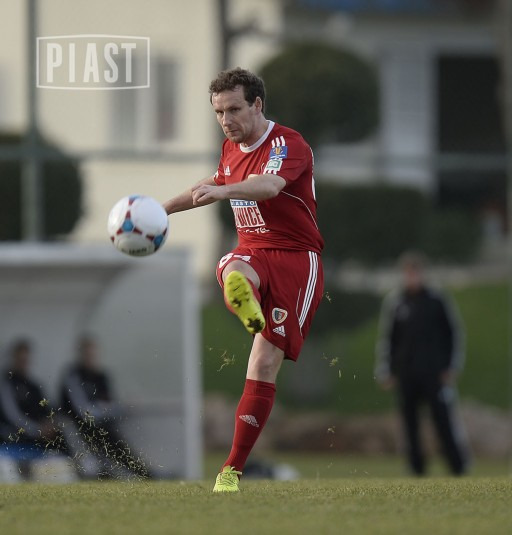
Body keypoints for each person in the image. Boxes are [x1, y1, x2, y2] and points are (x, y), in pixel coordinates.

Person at [163, 67, 324, 493]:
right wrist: (163, 209)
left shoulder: (288, 143)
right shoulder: (230, 148)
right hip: (254, 250)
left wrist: (225, 191)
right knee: (231, 267)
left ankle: (231, 470)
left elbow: (268, 186)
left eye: (234, 109)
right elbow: (213, 182)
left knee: (263, 364)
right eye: (219, 112)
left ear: (257, 104)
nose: (226, 119)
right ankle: (245, 299)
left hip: (295, 260)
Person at [375, 251, 470, 476]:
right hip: (406, 373)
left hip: (433, 372)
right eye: (408, 273)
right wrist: (387, 369)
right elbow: (389, 339)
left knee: (442, 419)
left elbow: (452, 333)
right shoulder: (396, 302)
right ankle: (416, 468)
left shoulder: (436, 300)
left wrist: (451, 366)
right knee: (410, 423)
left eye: (415, 273)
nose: (412, 278)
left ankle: (457, 466)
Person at [59, 335, 151, 479]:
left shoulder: (102, 377)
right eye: (87, 354)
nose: (91, 357)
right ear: (81, 354)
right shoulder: (73, 376)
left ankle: (141, 473)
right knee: (105, 437)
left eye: (93, 354)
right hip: (79, 427)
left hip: (102, 425)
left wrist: (123, 407)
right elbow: (85, 412)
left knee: (113, 438)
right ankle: (139, 473)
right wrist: (108, 409)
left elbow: (110, 404)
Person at [0, 338, 71, 479]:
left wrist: (52, 423)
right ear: (13, 359)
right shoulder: (6, 384)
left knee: (63, 434)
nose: (23, 362)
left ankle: (77, 467)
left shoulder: (34, 386)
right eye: (20, 359)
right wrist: (37, 430)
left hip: (38, 436)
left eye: (26, 359)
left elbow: (48, 410)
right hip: (14, 435)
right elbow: (13, 416)